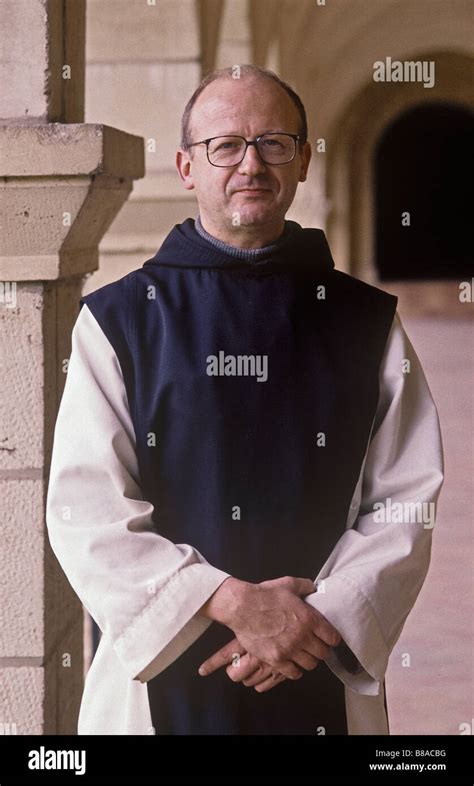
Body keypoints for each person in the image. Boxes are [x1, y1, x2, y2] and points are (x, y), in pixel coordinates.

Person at [46, 64, 444, 735]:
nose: (250, 164)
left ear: (304, 162)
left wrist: (313, 623)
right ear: (186, 167)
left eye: (274, 143)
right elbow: (86, 509)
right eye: (225, 146)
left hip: (320, 664)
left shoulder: (363, 320)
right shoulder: (119, 320)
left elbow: (405, 494)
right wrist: (230, 602)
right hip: (163, 677)